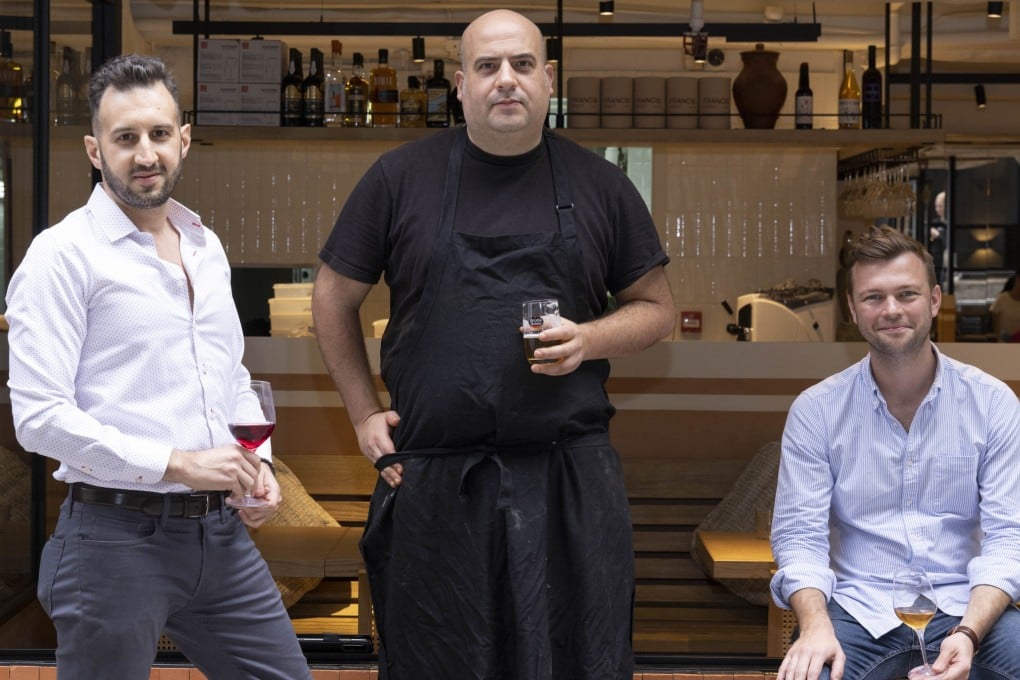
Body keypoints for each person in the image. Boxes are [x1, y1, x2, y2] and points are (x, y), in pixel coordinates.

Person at [311, 9, 675, 679]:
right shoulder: (399, 179)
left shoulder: (602, 185)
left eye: (523, 64)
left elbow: (658, 311)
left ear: (549, 79)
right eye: (487, 66)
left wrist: (588, 338)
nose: (506, 79)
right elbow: (332, 298)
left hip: (568, 488)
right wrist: (363, 413)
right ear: (460, 85)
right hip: (437, 486)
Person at [5, 55, 312, 680]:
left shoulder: (204, 244)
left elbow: (230, 376)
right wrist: (179, 464)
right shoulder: (61, 255)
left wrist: (256, 465)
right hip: (112, 540)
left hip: (219, 538)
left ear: (184, 140)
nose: (145, 154)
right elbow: (39, 419)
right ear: (95, 150)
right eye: (125, 138)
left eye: (159, 134)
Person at [770, 225, 1020, 680]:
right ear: (853, 309)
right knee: (810, 673)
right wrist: (815, 626)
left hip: (965, 606)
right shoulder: (816, 410)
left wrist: (968, 633)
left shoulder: (992, 403)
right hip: (858, 612)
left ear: (935, 300)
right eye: (873, 297)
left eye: (907, 294)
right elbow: (800, 539)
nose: (891, 310)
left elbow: (1008, 538)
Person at [989, 271, 1020, 342]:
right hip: (1004, 344)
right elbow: (995, 323)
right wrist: (999, 337)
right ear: (1017, 279)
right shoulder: (1002, 298)